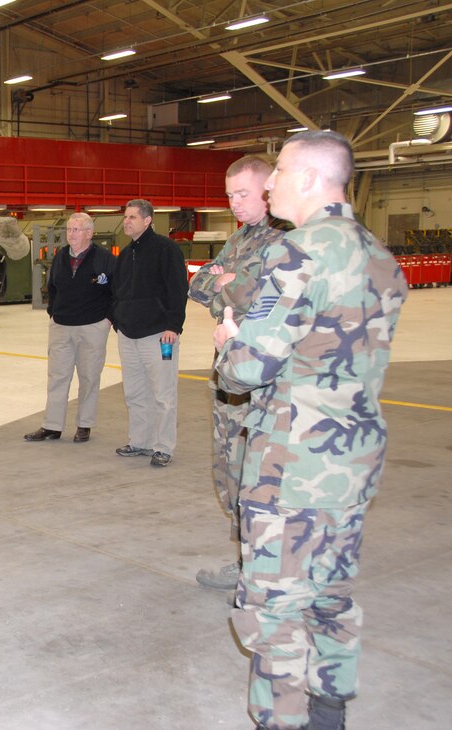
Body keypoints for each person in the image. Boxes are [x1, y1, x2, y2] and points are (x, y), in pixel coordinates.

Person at [214, 130, 408, 730]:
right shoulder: (380, 255)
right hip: (353, 456)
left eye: (277, 173)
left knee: (274, 606)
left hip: (292, 465)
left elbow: (248, 369)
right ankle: (331, 705)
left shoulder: (297, 252)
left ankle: (286, 720)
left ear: (307, 179)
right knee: (330, 589)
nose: (268, 183)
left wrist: (229, 344)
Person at [188, 156, 289, 591]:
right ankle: (246, 560)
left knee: (260, 477)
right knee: (229, 470)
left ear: (268, 189)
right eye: (229, 195)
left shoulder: (286, 239)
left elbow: (247, 295)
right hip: (229, 374)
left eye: (242, 193)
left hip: (262, 377)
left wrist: (226, 281)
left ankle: (266, 572)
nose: (234, 203)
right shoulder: (240, 239)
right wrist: (224, 278)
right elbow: (199, 284)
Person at [24, 212, 114, 444]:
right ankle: (52, 426)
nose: (71, 234)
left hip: (92, 326)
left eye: (76, 230)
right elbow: (52, 286)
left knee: (89, 377)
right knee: (57, 377)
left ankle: (84, 425)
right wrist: (53, 313)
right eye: (69, 230)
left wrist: (108, 319)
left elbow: (116, 290)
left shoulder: (104, 258)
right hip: (61, 326)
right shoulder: (61, 256)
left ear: (89, 233)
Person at [111, 199, 188, 467]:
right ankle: (139, 442)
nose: (127, 221)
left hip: (158, 335)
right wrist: (117, 320)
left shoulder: (166, 250)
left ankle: (163, 447)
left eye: (132, 217)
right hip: (128, 335)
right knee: (134, 392)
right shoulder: (125, 254)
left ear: (147, 220)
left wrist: (173, 326)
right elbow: (117, 291)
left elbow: (178, 289)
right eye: (125, 217)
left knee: (163, 394)